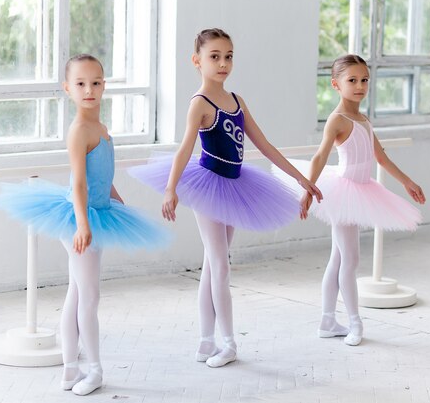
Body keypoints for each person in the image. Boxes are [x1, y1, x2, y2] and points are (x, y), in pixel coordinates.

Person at [128, 28, 322, 368]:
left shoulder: (236, 100)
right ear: (197, 61)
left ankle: (206, 341)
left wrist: (301, 178)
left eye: (228, 56)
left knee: (212, 266)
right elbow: (185, 147)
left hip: (237, 185)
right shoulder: (199, 103)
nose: (222, 63)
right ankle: (229, 343)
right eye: (214, 56)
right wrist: (172, 188)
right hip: (209, 185)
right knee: (221, 265)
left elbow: (264, 146)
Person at [0, 54, 169, 395]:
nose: (89, 90)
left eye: (96, 82)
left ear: (104, 85)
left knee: (77, 293)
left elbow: (101, 175)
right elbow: (78, 182)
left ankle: (70, 369)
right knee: (90, 296)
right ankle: (94, 368)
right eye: (80, 84)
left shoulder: (101, 129)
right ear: (67, 89)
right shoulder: (78, 130)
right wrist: (83, 224)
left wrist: (117, 199)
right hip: (80, 217)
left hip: (100, 212)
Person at [278, 54, 425, 346]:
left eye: (364, 80)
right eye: (352, 80)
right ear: (336, 84)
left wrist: (407, 181)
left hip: (362, 188)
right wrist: (308, 191)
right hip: (342, 192)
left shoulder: (363, 119)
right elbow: (320, 156)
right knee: (352, 259)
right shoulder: (338, 120)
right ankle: (355, 322)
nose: (360, 86)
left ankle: (327, 320)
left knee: (338, 258)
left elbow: (379, 156)